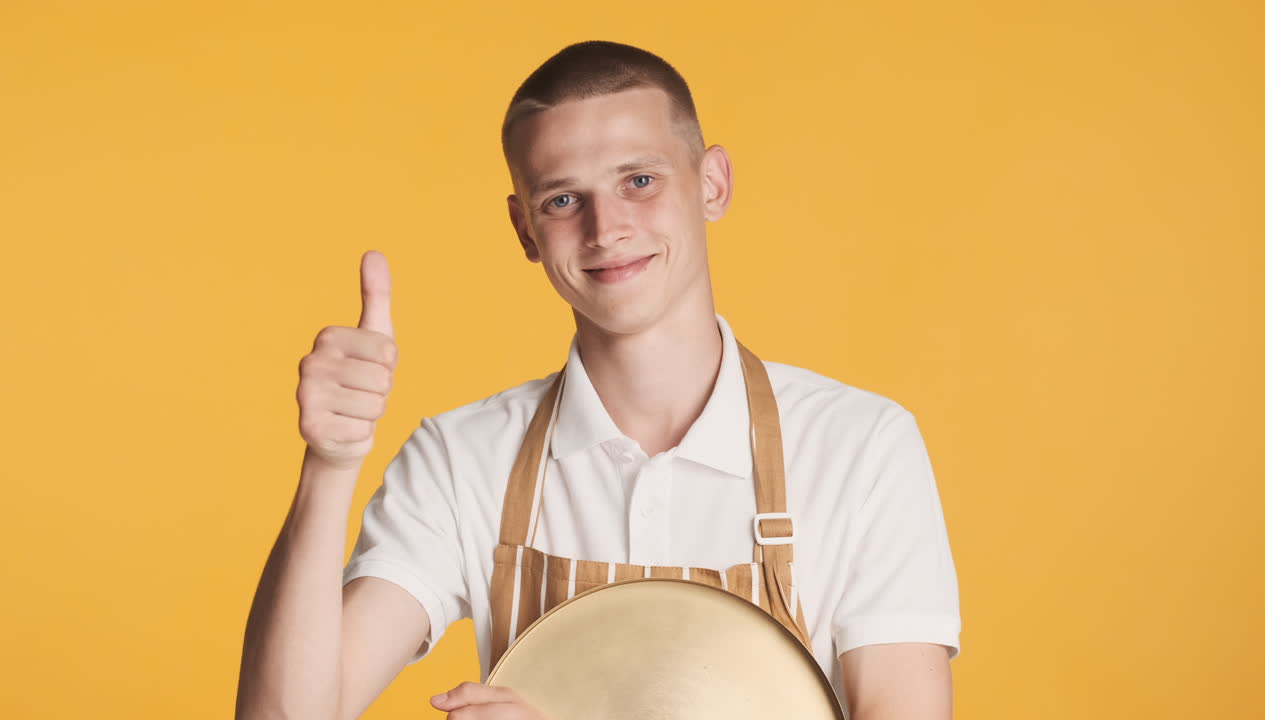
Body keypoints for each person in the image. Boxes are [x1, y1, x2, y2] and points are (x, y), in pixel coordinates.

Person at [236, 40, 961, 720]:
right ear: (524, 229)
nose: (605, 228)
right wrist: (329, 467)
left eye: (639, 181)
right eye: (561, 200)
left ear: (712, 184)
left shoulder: (861, 448)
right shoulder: (462, 458)